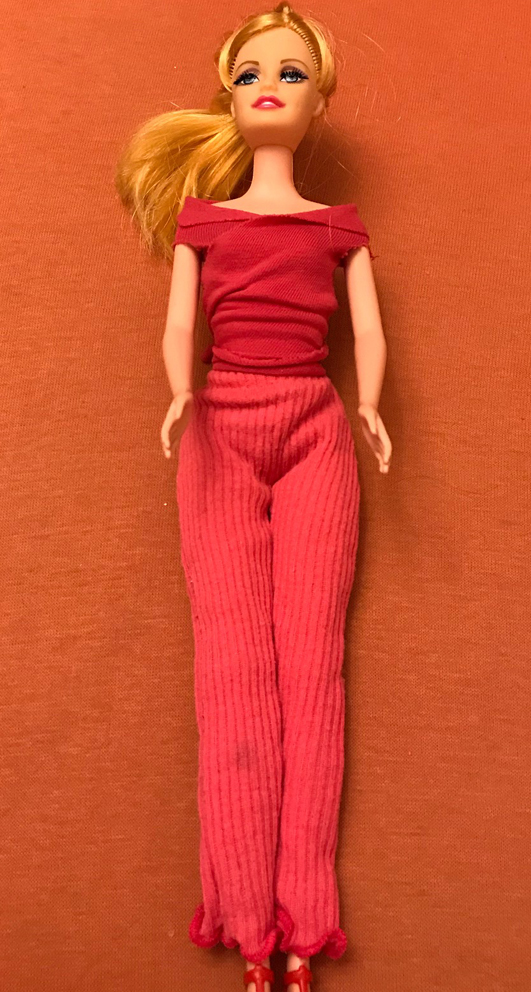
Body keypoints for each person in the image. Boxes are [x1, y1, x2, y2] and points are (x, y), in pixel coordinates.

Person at [115, 4, 392, 990]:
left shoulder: (339, 228)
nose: (268, 88)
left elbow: (367, 333)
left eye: (290, 73)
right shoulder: (202, 222)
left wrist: (369, 405)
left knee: (313, 669)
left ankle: (305, 921)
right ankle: (244, 920)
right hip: (218, 426)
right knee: (231, 666)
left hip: (318, 426)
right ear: (227, 97)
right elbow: (178, 327)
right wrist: (179, 392)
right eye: (248, 75)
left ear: (321, 101)